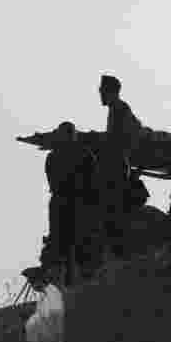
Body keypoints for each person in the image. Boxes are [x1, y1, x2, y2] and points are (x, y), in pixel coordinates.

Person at [41, 121, 95, 285]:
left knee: (60, 240)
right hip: (75, 203)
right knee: (75, 239)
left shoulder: (53, 156)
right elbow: (92, 179)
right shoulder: (84, 154)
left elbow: (52, 180)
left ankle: (59, 272)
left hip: (61, 202)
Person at [96, 74, 142, 261]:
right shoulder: (117, 109)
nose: (100, 94)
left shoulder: (120, 109)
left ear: (111, 92)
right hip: (118, 164)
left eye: (102, 91)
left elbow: (121, 138)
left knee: (114, 209)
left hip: (118, 166)